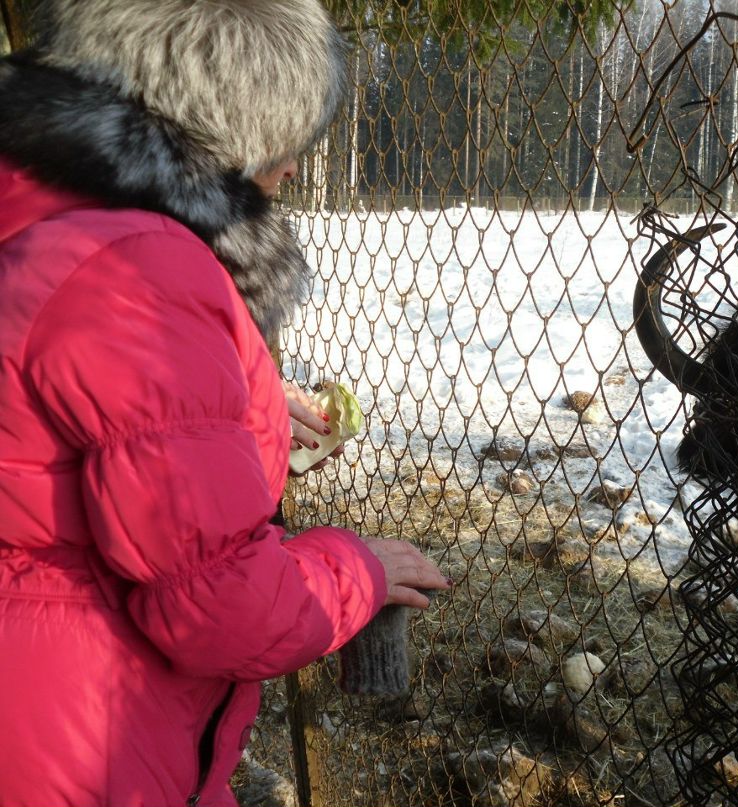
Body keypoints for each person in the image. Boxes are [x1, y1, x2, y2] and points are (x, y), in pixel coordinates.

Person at [0, 2, 449, 805]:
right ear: (237, 124)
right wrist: (358, 569)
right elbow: (220, 605)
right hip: (77, 743)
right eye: (288, 139)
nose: (290, 169)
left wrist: (240, 393)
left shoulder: (42, 201)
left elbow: (68, 381)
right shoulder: (140, 268)